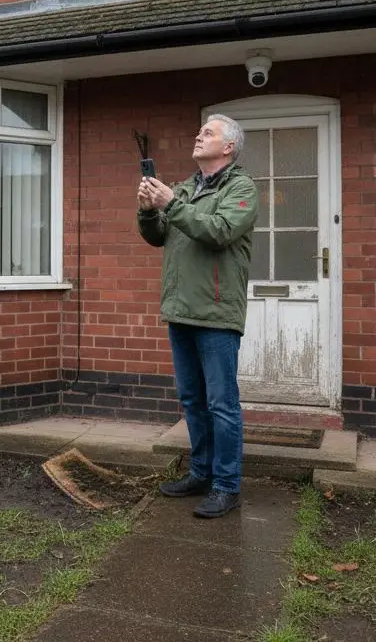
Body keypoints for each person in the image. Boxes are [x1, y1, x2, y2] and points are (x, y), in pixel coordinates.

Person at [136, 113, 258, 518]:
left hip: (216, 313)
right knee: (193, 400)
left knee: (222, 404)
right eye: (200, 130)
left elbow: (219, 230)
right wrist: (149, 211)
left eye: (209, 132)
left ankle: (227, 485)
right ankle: (201, 473)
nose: (198, 135)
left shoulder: (242, 187)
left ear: (228, 147)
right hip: (180, 310)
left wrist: (171, 203)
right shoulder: (186, 187)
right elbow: (159, 237)